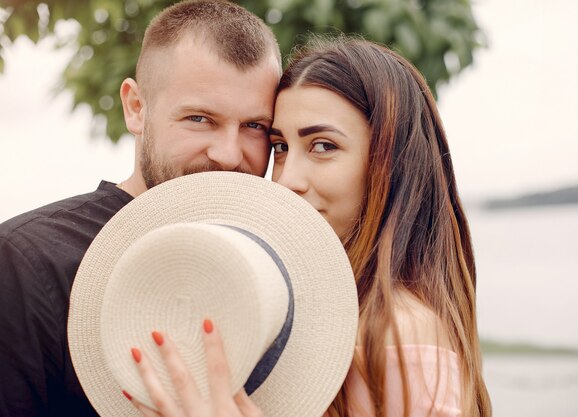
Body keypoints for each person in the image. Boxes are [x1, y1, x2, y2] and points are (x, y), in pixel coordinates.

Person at [128, 37, 492, 416]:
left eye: (323, 146)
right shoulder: (312, 308)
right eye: (281, 148)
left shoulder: (399, 332)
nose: (287, 181)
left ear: (392, 164)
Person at [0, 1, 281, 416]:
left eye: (254, 126)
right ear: (136, 107)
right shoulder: (25, 263)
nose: (227, 154)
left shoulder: (283, 265)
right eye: (200, 119)